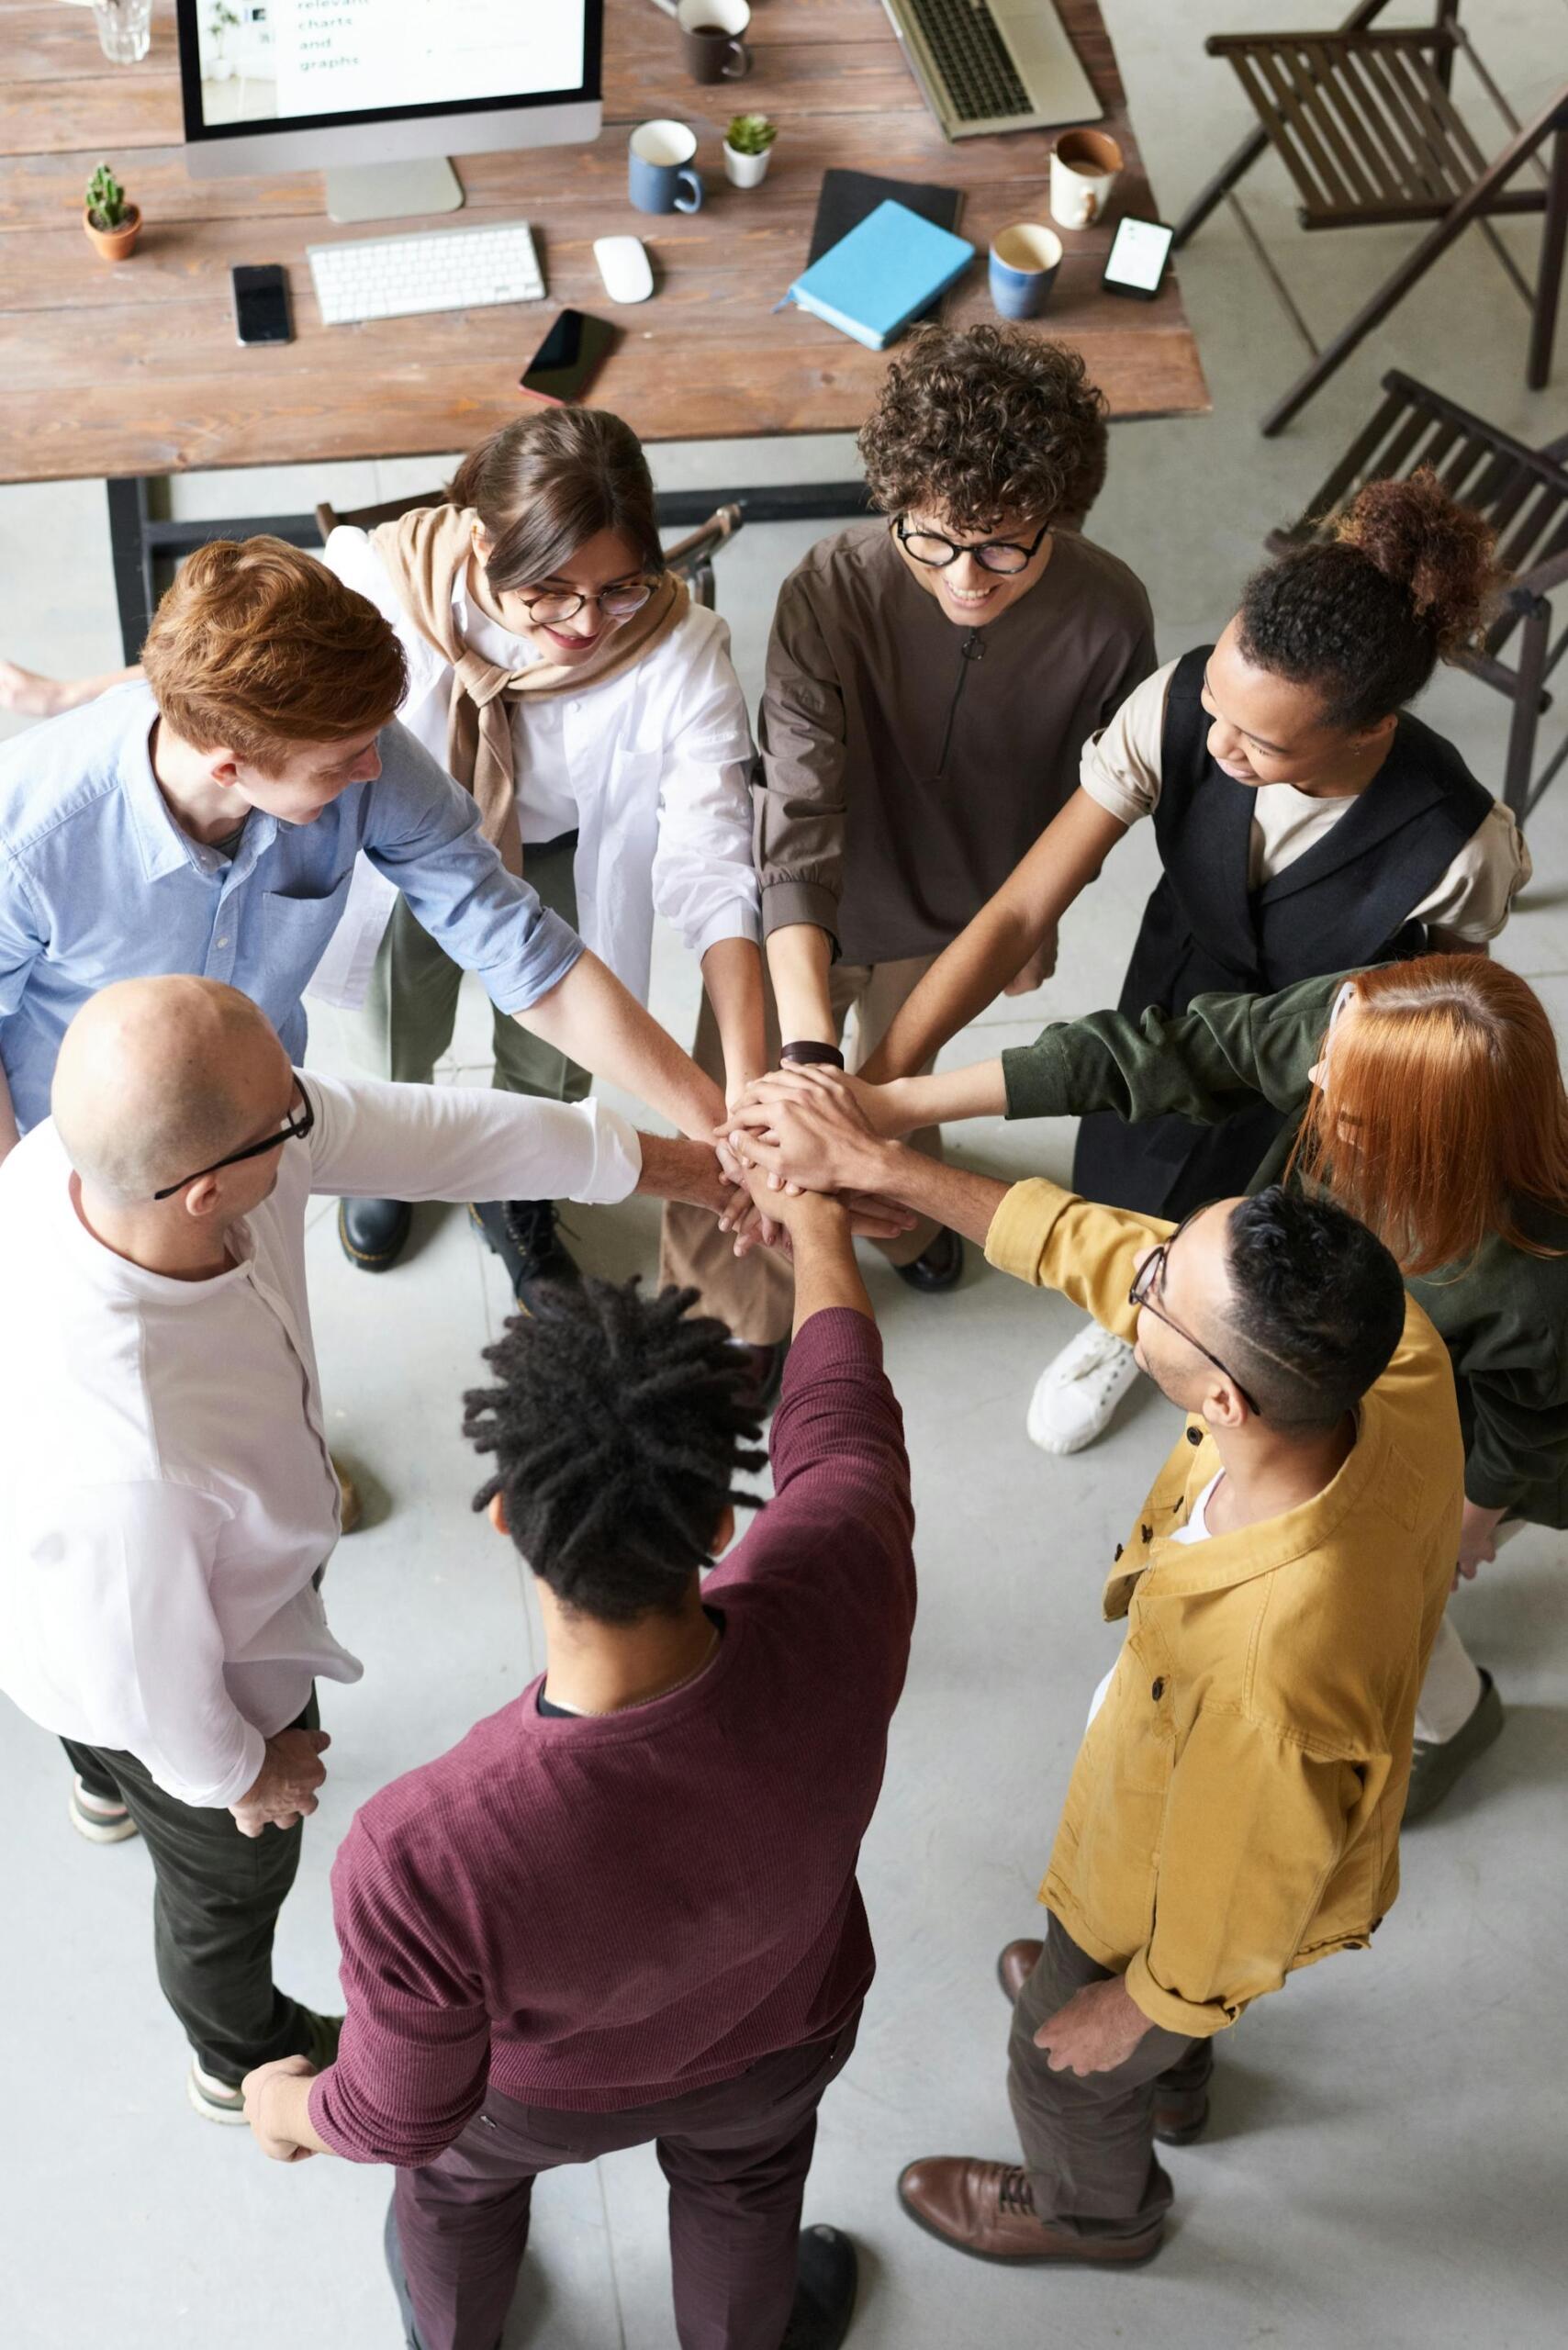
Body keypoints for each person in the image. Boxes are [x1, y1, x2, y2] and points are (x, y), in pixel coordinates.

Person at [718, 1071, 1462, 2267]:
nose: (1139, 1279)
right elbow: (1110, 1255)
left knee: (1055, 2058)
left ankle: (1098, 2209)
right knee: (1114, 1995)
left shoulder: (1270, 1676)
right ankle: (1178, 2079)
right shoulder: (1386, 1353)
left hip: (1181, 1871)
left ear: (1222, 1397)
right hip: (1195, 1795)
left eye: (1161, 1290)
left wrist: (1141, 2005)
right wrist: (886, 1170)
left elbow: (1242, 1899)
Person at [0, 976, 743, 2125]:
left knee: (111, 1748)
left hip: (88, 1588)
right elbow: (136, 1675)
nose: (311, 1116)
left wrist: (685, 1167)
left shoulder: (101, 1156)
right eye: (286, 1119)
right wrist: (245, 1773)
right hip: (163, 1663)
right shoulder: (136, 1461)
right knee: (221, 1884)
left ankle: (103, 1786)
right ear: (204, 1192)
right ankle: (232, 2046)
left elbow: (433, 1134)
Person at [239, 1170, 916, 2350]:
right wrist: (817, 1224)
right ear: (719, 1523)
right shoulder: (842, 1575)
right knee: (745, 2189)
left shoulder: (422, 1847)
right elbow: (842, 1423)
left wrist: (288, 2104)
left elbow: (404, 2111)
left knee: (453, 2191)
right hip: (782, 2030)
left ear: (505, 1515)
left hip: (531, 2105)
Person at [856, 471, 1529, 1454]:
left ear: (1369, 730)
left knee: (1253, 1239)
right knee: (1127, 1163)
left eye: (1259, 740)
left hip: (1313, 1071)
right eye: (1215, 702)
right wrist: (880, 1083)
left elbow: (1436, 1014)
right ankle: (1125, 1318)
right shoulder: (1175, 707)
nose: (1217, 746)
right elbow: (1015, 911)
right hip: (1172, 989)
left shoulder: (1461, 846)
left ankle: (1201, 1346)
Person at [857, 954, 1562, 1814]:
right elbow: (1177, 1053)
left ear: (1416, 1135)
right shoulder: (1363, 1026)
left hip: (1472, 1448)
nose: (1311, 1070)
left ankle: (1453, 1724)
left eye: (1340, 1092)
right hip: (1329, 1388)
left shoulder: (1532, 1278)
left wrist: (1466, 1522)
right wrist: (892, 1110)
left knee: (1390, 1600)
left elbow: (1530, 1427)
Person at [664, 322, 1155, 1343]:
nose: (966, 576)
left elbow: (1085, 810)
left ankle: (893, 1217)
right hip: (812, 914)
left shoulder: (1111, 614)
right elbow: (796, 825)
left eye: (1003, 545)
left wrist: (1027, 935)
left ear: (1057, 514)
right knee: (747, 1105)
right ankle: (734, 1314)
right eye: (929, 538)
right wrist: (804, 1056)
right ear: (894, 501)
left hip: (963, 916)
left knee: (896, 1096)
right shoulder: (828, 590)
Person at [0, 536, 728, 1186]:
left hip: (262, 1120)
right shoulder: (26, 836)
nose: (375, 770)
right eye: (344, 762)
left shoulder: (350, 739)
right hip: (64, 1151)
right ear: (230, 768)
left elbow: (521, 949)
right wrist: (17, 1207)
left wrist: (717, 1127)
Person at [307, 408, 770, 1355]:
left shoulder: (680, 649)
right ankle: (394, 1155)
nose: (587, 624)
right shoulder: (377, 586)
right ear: (482, 541)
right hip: (408, 844)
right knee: (399, 1015)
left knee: (554, 1056)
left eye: (620, 588)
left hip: (560, 846)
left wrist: (743, 1094)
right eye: (551, 593)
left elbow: (712, 856)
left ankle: (520, 1189)